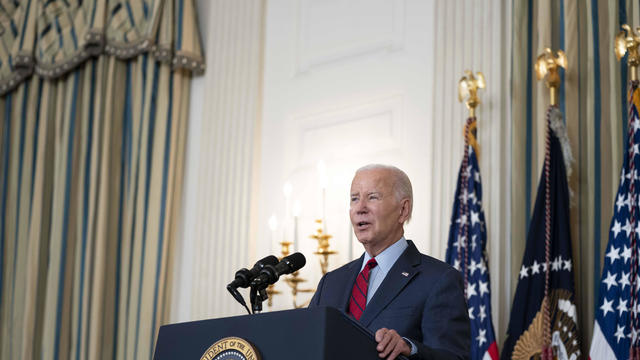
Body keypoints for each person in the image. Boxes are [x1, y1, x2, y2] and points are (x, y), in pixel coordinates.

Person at [308, 164, 470, 360]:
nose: (360, 208)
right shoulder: (330, 283)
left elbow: (454, 357)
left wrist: (410, 348)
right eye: (354, 198)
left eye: (373, 197)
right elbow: (307, 345)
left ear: (403, 210)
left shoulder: (439, 279)